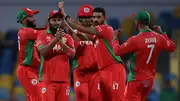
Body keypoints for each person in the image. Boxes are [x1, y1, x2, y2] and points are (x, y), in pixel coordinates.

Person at [58, 2, 126, 101]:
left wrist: (65, 15)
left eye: (98, 17)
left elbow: (78, 28)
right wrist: (63, 18)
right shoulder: (94, 34)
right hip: (86, 72)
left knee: (111, 98)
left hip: (104, 70)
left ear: (104, 18)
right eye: (93, 17)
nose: (93, 20)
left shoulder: (102, 30)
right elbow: (74, 33)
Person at [112, 11, 176, 101]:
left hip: (136, 80)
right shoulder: (158, 37)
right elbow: (172, 47)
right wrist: (162, 33)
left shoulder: (135, 40)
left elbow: (117, 51)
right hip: (149, 81)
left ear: (137, 23)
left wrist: (115, 38)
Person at [36, 10, 75, 101]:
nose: (57, 22)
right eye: (54, 20)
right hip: (47, 81)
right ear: (49, 21)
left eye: (59, 20)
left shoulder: (68, 37)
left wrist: (63, 45)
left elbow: (73, 55)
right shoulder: (42, 36)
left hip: (64, 81)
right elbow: (43, 52)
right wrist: (55, 40)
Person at [67, 5, 101, 101]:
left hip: (96, 73)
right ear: (78, 19)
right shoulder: (73, 33)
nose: (86, 20)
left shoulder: (99, 32)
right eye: (83, 17)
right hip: (80, 73)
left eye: (88, 17)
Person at [16, 8, 41, 101]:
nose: (34, 19)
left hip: (32, 70)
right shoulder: (26, 32)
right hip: (27, 71)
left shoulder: (26, 32)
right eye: (31, 17)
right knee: (42, 98)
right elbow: (46, 33)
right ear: (24, 20)